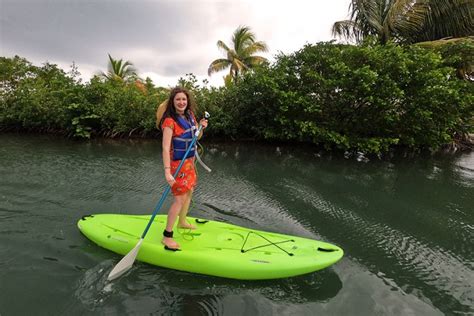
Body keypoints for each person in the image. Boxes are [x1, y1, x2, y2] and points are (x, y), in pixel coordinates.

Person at [156, 87, 208, 250]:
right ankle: (167, 236)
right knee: (179, 199)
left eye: (184, 99)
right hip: (177, 165)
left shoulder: (190, 116)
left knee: (190, 191)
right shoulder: (169, 122)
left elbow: (195, 137)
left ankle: (183, 221)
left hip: (189, 162)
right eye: (178, 99)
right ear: (173, 101)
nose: (181, 102)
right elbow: (165, 148)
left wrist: (200, 127)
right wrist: (167, 172)